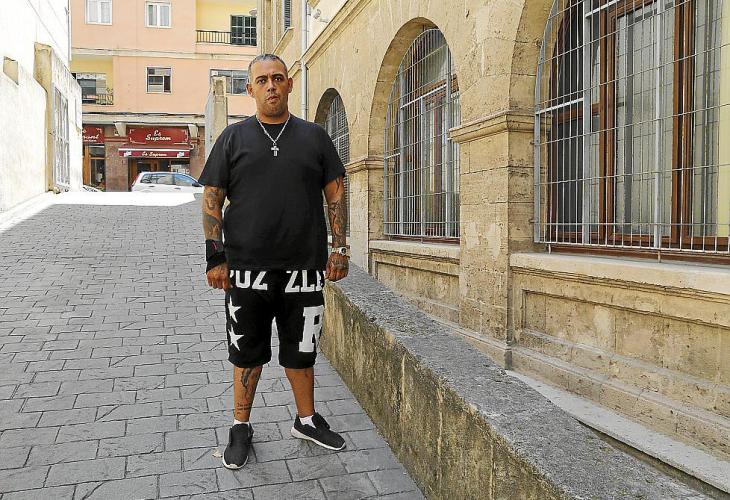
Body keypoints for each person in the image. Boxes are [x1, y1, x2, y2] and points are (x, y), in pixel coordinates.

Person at [199, 53, 350, 470]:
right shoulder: (233, 138)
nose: (271, 85)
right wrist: (215, 256)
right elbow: (212, 199)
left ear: (289, 84)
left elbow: (335, 195)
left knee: (303, 350)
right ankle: (240, 427)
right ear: (250, 89)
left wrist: (339, 248)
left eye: (278, 78)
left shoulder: (314, 137)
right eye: (263, 80)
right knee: (246, 353)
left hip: (304, 269)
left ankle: (306, 420)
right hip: (246, 270)